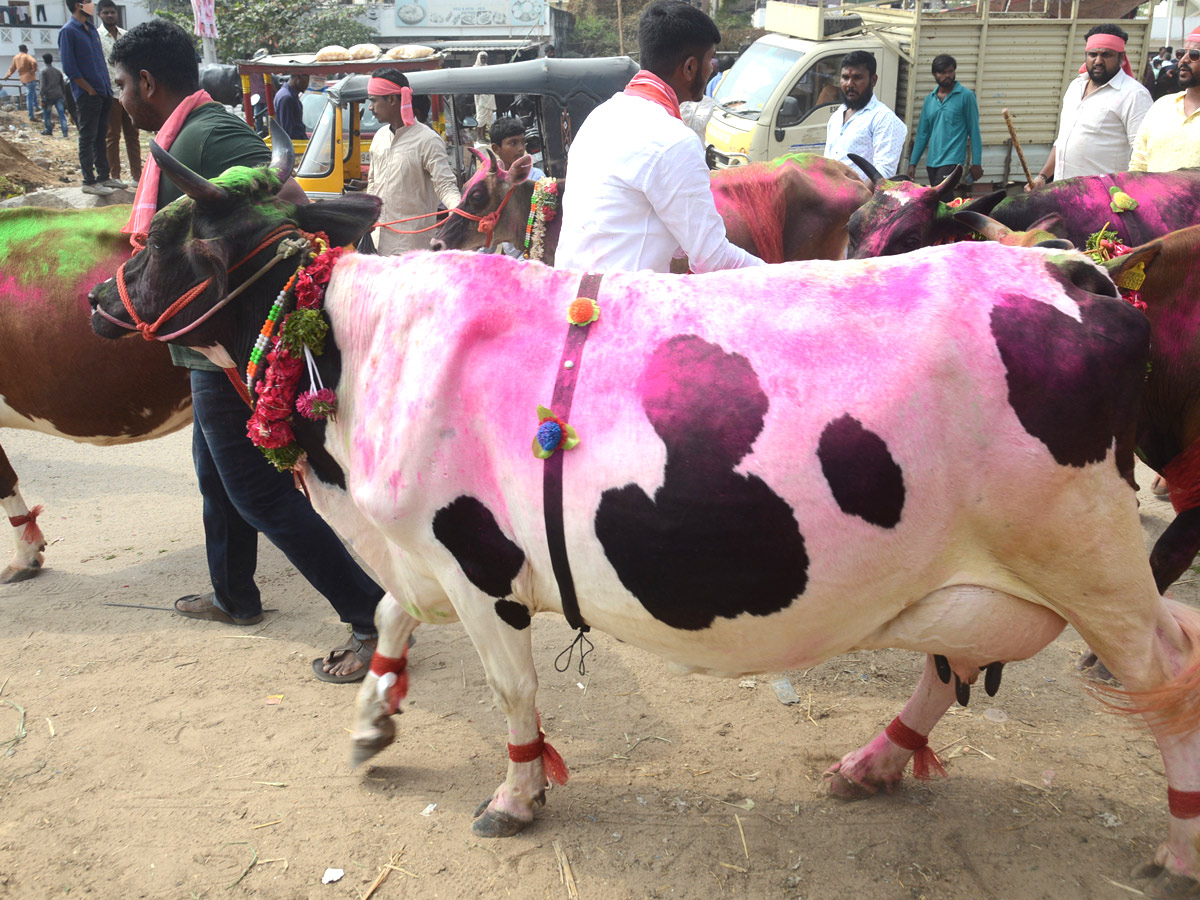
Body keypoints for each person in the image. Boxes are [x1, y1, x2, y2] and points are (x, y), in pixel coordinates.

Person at [109, 19, 385, 683]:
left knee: (257, 491)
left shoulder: (211, 134)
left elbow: (284, 201)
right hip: (207, 346)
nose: (117, 95)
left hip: (229, 351)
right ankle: (235, 595)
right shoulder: (179, 137)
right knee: (216, 477)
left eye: (120, 84)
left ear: (147, 82)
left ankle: (370, 616)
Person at [556, 0, 764, 274]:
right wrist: (779, 276)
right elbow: (712, 260)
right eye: (710, 60)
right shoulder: (673, 140)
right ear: (690, 67)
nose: (712, 69)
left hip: (571, 300)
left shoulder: (600, 117)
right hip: (620, 308)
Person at [1028, 24, 1151, 190]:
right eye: (1093, 54)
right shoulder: (1075, 86)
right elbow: (1063, 141)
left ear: (1121, 58)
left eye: (1106, 55)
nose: (1098, 61)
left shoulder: (1134, 94)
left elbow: (1143, 152)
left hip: (1104, 197)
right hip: (1062, 192)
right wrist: (1042, 177)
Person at [364, 67, 461, 255]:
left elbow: (445, 186)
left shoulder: (428, 140)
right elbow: (372, 184)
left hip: (412, 249)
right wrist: (366, 215)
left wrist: (457, 210)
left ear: (392, 100)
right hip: (376, 244)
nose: (370, 107)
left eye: (374, 101)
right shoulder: (379, 137)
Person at [58, 0, 121, 196]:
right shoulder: (68, 31)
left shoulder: (91, 30)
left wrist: (104, 89)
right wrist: (89, 89)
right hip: (87, 94)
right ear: (78, 5)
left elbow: (100, 61)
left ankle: (104, 177)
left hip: (103, 91)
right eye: (88, 2)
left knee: (101, 136)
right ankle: (89, 180)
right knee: (87, 136)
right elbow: (69, 67)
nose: (92, 5)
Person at [823, 50, 907, 184]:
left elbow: (882, 174)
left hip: (860, 202)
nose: (849, 84)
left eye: (857, 78)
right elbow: (827, 161)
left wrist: (858, 200)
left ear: (873, 80)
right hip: (830, 197)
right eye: (845, 77)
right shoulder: (838, 114)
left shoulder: (884, 119)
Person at [1130, 28, 1200, 172]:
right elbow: (1138, 164)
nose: (1183, 60)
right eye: (1181, 53)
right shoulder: (1162, 106)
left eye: (1194, 54)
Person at [907, 54, 983, 186]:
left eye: (950, 71)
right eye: (942, 72)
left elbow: (974, 131)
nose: (947, 75)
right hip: (932, 162)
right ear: (935, 74)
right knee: (942, 203)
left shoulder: (966, 96)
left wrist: (976, 163)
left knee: (942, 198)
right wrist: (912, 163)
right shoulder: (930, 99)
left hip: (953, 160)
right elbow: (922, 134)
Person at [96, 0, 140, 184]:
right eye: (105, 13)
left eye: (112, 12)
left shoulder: (126, 35)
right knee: (112, 136)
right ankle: (115, 177)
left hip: (128, 91)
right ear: (99, 15)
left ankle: (137, 176)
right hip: (110, 93)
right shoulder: (96, 36)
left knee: (133, 134)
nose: (109, 15)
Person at [489, 116, 543, 181]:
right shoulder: (489, 180)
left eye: (523, 142)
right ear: (496, 149)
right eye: (513, 143)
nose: (521, 148)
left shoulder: (535, 176)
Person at [5, 44, 38, 122]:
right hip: (30, 78)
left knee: (33, 93)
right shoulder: (27, 56)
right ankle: (31, 115)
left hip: (23, 79)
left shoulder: (16, 57)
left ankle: (36, 107)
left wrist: (7, 75)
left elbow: (12, 68)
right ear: (26, 50)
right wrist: (33, 70)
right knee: (29, 97)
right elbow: (34, 62)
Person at [38, 53, 68, 137]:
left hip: (48, 96)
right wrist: (63, 95)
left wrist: (42, 96)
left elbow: (42, 85)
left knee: (47, 114)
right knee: (62, 114)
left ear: (44, 61)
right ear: (52, 60)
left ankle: (48, 130)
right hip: (58, 95)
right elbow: (62, 85)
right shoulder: (58, 71)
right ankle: (65, 132)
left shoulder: (43, 71)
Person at [273, 72, 308, 140]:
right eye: (307, 80)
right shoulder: (287, 98)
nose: (307, 85)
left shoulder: (289, 95)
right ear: (298, 77)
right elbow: (287, 132)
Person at [473, 51, 496, 144]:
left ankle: (483, 136)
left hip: (488, 95)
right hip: (480, 97)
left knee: (487, 118)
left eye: (484, 58)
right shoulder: (474, 69)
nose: (482, 60)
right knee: (481, 118)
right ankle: (479, 137)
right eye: (481, 58)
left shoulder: (487, 68)